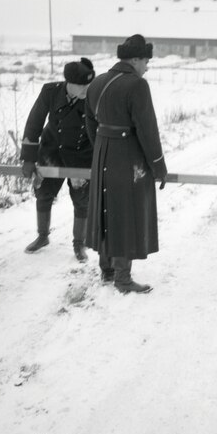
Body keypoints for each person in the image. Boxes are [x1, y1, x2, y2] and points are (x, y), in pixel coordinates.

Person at [84, 34, 167, 294]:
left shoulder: (97, 82)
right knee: (125, 213)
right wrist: (158, 165)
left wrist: (101, 146)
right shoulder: (137, 85)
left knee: (105, 209)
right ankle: (122, 278)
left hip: (102, 154)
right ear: (134, 59)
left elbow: (89, 124)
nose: (147, 67)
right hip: (127, 157)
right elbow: (147, 129)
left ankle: (107, 270)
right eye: (145, 61)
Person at [20, 57, 96, 261]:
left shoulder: (94, 95)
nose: (86, 89)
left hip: (81, 154)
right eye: (81, 85)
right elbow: (34, 122)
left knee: (82, 200)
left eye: (88, 84)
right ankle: (42, 236)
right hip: (51, 151)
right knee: (43, 193)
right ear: (68, 83)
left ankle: (79, 245)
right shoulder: (50, 92)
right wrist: (28, 158)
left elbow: (101, 128)